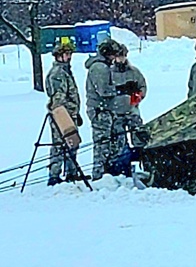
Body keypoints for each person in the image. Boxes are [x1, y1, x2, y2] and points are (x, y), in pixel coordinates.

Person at [86, 40, 147, 180]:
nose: (117, 59)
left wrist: (136, 96)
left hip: (126, 110)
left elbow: (142, 86)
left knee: (133, 139)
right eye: (115, 55)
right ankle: (104, 173)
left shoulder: (132, 71)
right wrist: (122, 89)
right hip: (107, 111)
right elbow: (104, 91)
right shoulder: (102, 69)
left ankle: (121, 170)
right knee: (108, 144)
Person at [45, 42, 82, 185]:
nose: (69, 57)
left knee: (73, 143)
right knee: (60, 144)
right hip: (61, 115)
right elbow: (58, 99)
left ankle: (71, 173)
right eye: (67, 54)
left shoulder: (65, 71)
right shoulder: (57, 74)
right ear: (59, 56)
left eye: (70, 54)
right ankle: (54, 175)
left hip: (69, 114)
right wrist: (65, 117)